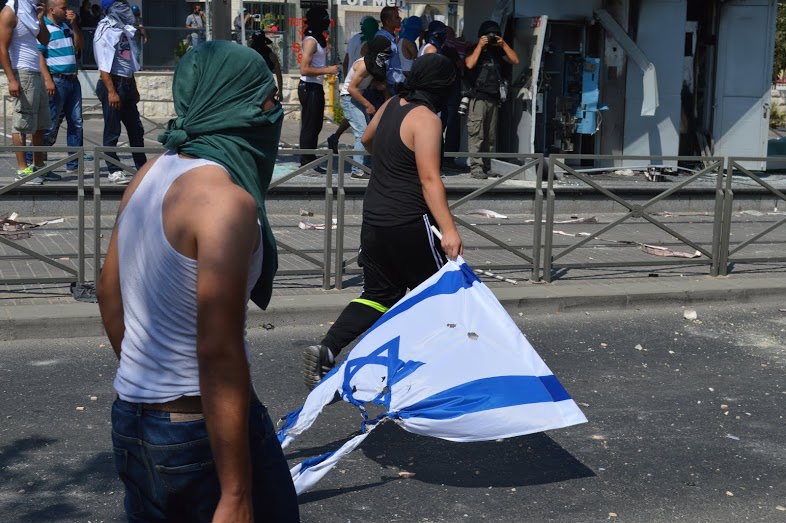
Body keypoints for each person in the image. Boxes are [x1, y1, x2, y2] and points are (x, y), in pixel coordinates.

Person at [97, 40, 299, 522]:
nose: (274, 112)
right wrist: (235, 494)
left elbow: (108, 295)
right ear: (235, 102)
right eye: (267, 99)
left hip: (135, 418)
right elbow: (218, 349)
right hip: (199, 432)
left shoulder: (150, 172)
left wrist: (151, 375)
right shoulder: (225, 203)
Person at [303, 53, 464, 389]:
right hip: (408, 221)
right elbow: (430, 179)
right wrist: (449, 230)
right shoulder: (427, 119)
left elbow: (365, 139)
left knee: (379, 293)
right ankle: (432, 374)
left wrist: (390, 162)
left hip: (374, 219)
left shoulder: (392, 104)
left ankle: (328, 348)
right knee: (440, 295)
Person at [93, 0, 146, 185]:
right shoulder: (105, 29)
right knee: (112, 130)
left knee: (136, 129)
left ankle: (141, 167)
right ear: (110, 8)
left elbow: (128, 62)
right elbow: (103, 63)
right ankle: (113, 170)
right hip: (113, 84)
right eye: (120, 4)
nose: (124, 7)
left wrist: (134, 86)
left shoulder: (124, 29)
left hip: (126, 84)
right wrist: (111, 91)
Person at [0, 0, 53, 185]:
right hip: (21, 71)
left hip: (35, 71)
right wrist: (12, 79)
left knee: (40, 122)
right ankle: (22, 170)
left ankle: (38, 166)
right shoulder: (10, 11)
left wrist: (41, 18)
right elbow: (2, 47)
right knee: (21, 122)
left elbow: (45, 40)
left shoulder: (32, 11)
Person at [464, 20, 519, 180]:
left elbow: (515, 60)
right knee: (477, 133)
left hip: (493, 98)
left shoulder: (498, 52)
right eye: (489, 35)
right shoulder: (474, 49)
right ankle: (476, 167)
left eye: (494, 35)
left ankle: (487, 166)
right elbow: (469, 64)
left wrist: (503, 45)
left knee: (490, 136)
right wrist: (480, 46)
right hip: (478, 98)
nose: (491, 38)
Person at [36, 0, 85, 176]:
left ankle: (74, 165)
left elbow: (80, 46)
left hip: (72, 80)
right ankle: (35, 162)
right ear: (52, 9)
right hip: (56, 80)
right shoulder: (44, 27)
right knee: (49, 124)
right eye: (63, 8)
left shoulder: (66, 25)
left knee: (77, 123)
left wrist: (74, 25)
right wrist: (48, 80)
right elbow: (40, 55)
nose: (67, 10)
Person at [339, 35, 390, 180]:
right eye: (385, 51)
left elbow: (371, 81)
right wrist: (368, 105)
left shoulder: (373, 64)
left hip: (356, 98)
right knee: (362, 133)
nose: (388, 55)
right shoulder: (363, 65)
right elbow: (352, 89)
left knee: (368, 133)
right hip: (349, 99)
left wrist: (380, 86)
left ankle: (365, 166)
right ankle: (357, 169)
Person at [325, 15, 377, 154]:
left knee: (355, 118)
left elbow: (347, 60)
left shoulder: (354, 39)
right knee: (363, 126)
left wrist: (348, 75)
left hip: (354, 79)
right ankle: (361, 162)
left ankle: (335, 137)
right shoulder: (371, 42)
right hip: (361, 83)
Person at [298, 6, 337, 175]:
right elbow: (304, 70)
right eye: (325, 19)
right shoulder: (310, 41)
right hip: (309, 87)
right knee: (309, 126)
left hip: (316, 86)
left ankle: (311, 160)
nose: (327, 22)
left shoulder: (317, 40)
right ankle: (306, 163)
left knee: (316, 125)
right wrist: (327, 70)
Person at [375, 5, 402, 94]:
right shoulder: (382, 38)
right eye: (397, 17)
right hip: (388, 87)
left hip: (395, 85)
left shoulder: (391, 37)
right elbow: (381, 66)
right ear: (388, 22)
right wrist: (386, 93)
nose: (400, 19)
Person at [249, 31, 282, 102]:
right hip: (265, 88)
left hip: (254, 88)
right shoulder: (270, 54)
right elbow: (278, 74)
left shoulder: (249, 54)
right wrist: (280, 91)